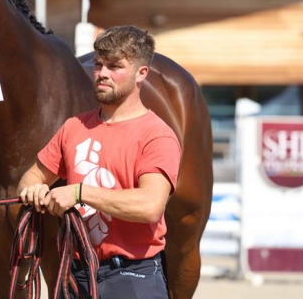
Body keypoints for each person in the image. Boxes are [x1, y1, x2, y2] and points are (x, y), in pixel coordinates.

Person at [16, 25, 181, 299]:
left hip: (134, 278)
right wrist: (34, 190)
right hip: (75, 276)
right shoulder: (74, 127)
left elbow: (150, 206)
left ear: (142, 73)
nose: (102, 73)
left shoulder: (156, 135)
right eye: (99, 65)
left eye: (115, 66)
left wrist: (80, 193)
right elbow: (31, 178)